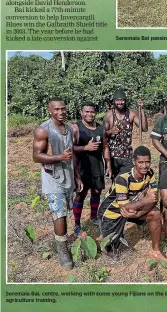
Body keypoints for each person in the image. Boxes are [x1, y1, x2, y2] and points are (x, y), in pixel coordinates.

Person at [32, 99, 82, 269]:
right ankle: (63, 251)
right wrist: (58, 157)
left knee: (65, 211)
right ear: (50, 111)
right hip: (52, 178)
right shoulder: (43, 130)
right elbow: (36, 156)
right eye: (57, 110)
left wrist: (77, 176)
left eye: (63, 109)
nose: (61, 112)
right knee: (59, 214)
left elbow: (72, 153)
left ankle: (63, 241)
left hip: (67, 176)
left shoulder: (68, 128)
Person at [96, 146, 166, 262]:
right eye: (140, 162)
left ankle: (155, 251)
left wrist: (138, 214)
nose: (144, 166)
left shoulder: (150, 173)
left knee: (156, 213)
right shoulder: (123, 178)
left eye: (147, 162)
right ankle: (112, 241)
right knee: (112, 251)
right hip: (111, 213)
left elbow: (154, 198)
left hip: (133, 210)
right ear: (134, 162)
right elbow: (124, 207)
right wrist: (145, 201)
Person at [72, 101, 106, 237]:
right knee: (81, 194)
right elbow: (70, 148)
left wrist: (108, 164)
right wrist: (85, 148)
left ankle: (93, 217)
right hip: (82, 166)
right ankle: (77, 224)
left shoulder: (100, 128)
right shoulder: (76, 128)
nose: (89, 114)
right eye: (86, 111)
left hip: (97, 164)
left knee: (97, 191)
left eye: (92, 112)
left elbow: (105, 148)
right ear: (81, 112)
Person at [103, 90, 147, 181]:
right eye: (117, 100)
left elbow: (144, 128)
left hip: (127, 155)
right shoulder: (109, 115)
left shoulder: (131, 113)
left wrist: (142, 110)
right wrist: (110, 131)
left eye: (122, 100)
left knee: (125, 181)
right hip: (112, 156)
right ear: (114, 101)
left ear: (125, 101)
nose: (120, 102)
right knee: (115, 182)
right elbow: (102, 135)